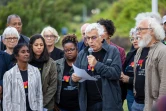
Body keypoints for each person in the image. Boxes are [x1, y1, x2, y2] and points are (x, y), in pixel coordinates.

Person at [70, 23, 122, 111]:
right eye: (87, 38)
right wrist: (73, 78)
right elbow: (72, 74)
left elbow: (116, 73)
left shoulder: (112, 51)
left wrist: (97, 64)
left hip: (109, 103)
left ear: (101, 37)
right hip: (89, 104)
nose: (90, 41)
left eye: (93, 37)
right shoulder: (83, 54)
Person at [133, 17, 166, 111]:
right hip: (136, 103)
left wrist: (160, 106)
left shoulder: (163, 51)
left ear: (152, 31)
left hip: (152, 105)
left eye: (140, 29)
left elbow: (164, 83)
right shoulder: (140, 50)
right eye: (137, 29)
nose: (137, 32)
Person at [3, 43, 43, 111]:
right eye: (23, 52)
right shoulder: (9, 74)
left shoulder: (35, 71)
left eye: (28, 51)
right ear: (16, 56)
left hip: (33, 108)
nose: (26, 54)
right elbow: (7, 99)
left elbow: (39, 94)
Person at [97, 18, 126, 105]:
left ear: (109, 33)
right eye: (98, 31)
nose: (100, 33)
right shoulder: (94, 50)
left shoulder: (119, 50)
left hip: (113, 89)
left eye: (103, 31)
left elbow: (120, 72)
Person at [29, 34, 57, 111]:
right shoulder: (26, 62)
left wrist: (41, 103)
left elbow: (53, 86)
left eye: (41, 45)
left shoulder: (51, 63)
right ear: (31, 46)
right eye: (36, 45)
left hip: (46, 105)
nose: (39, 47)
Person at [55, 34, 79, 111]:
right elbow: (52, 85)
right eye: (66, 50)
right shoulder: (56, 65)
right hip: (61, 107)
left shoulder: (83, 64)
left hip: (79, 106)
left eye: (72, 49)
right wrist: (53, 104)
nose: (69, 52)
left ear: (76, 49)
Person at [121, 28, 139, 111]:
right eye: (132, 39)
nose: (134, 41)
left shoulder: (148, 54)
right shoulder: (130, 54)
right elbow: (124, 69)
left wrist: (129, 80)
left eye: (137, 38)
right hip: (130, 92)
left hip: (142, 93)